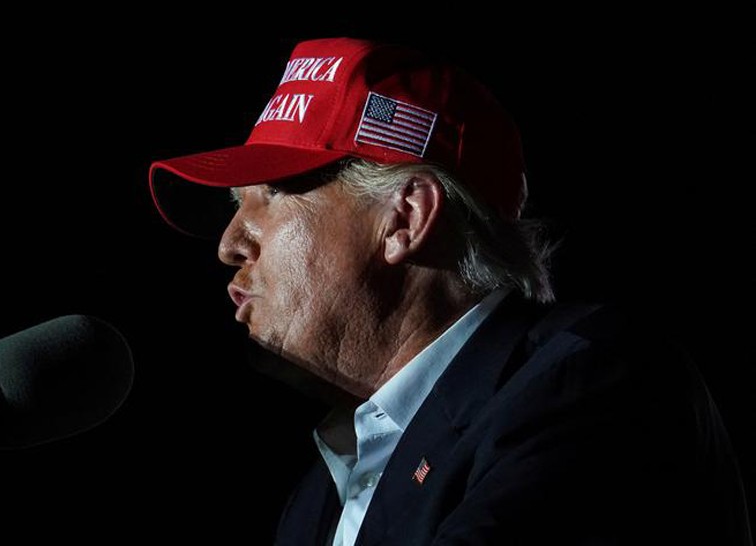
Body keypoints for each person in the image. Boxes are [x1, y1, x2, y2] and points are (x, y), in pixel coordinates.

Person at [147, 37, 752, 545]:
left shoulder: (592, 381)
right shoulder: (321, 494)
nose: (229, 244)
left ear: (405, 218)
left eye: (273, 192)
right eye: (235, 206)